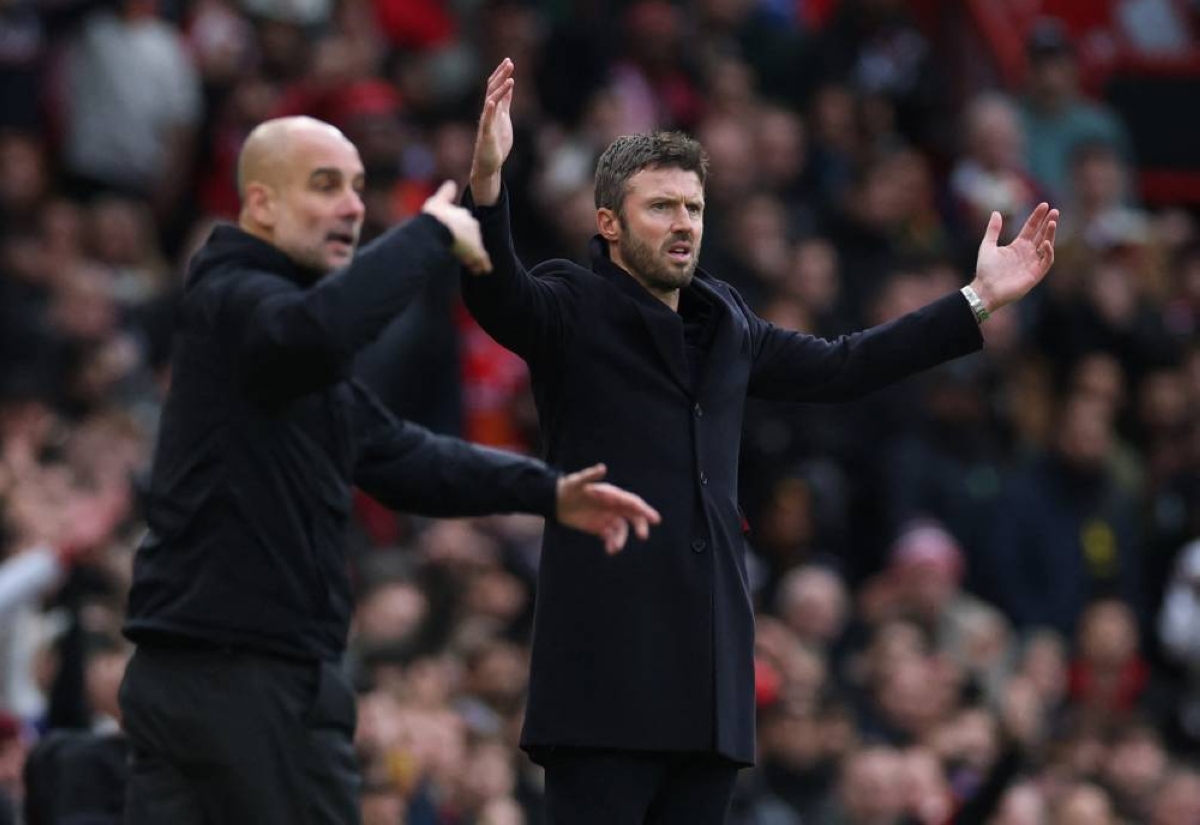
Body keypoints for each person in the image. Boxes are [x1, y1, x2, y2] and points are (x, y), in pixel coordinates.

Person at [461, 59, 1058, 823]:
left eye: (694, 208)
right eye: (660, 208)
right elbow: (495, 294)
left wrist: (977, 300)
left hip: (708, 692)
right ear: (608, 223)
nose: (683, 224)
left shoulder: (729, 322)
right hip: (603, 681)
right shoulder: (571, 305)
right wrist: (486, 185)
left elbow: (845, 364)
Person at [117, 115, 661, 824]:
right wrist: (431, 231)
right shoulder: (241, 301)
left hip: (192, 673)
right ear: (260, 204)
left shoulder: (272, 337)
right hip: (252, 677)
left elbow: (399, 453)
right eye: (324, 186)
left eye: (357, 188)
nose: (352, 205)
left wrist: (547, 490)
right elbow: (319, 332)